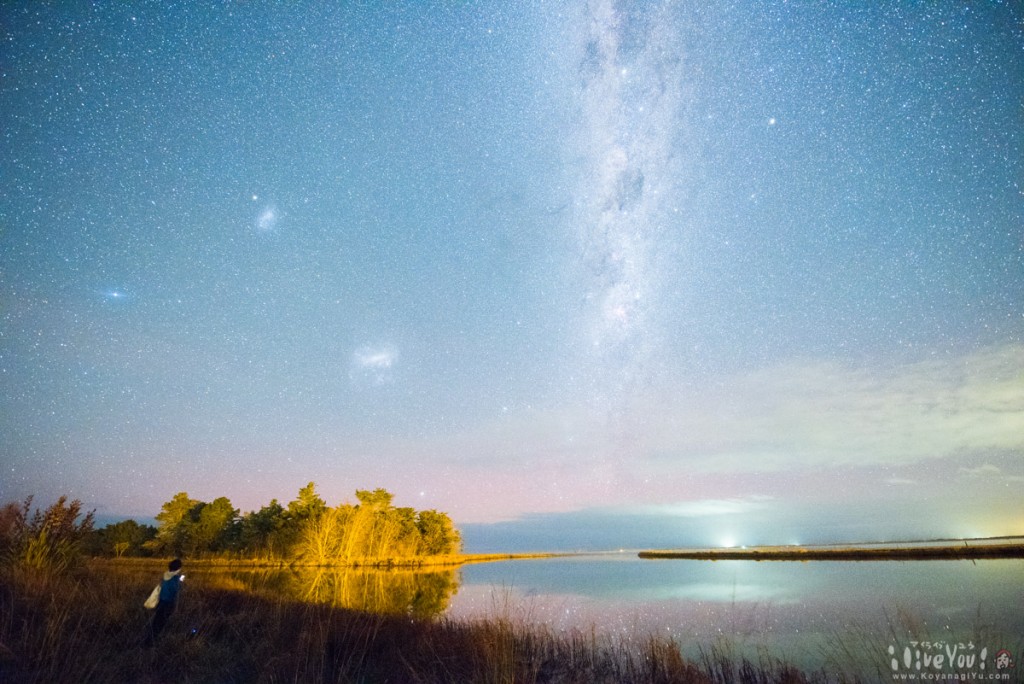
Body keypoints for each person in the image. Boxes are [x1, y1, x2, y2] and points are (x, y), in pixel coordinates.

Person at [144, 558, 184, 645]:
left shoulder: (165, 575)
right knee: (161, 623)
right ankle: (151, 641)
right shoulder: (175, 578)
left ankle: (149, 638)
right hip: (168, 604)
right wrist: (181, 581)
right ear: (178, 568)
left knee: (156, 621)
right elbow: (175, 591)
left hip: (161, 602)